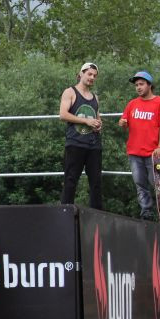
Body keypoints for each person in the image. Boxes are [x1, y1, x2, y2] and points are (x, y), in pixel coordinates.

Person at [118, 71, 160, 220]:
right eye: (136, 85)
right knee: (140, 184)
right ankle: (146, 212)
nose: (138, 88)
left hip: (153, 152)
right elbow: (124, 122)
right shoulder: (132, 104)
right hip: (134, 152)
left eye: (141, 84)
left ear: (149, 85)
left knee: (159, 184)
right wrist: (122, 123)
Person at [59, 62, 103, 209]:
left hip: (94, 144)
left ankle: (97, 215)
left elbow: (97, 118)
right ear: (81, 73)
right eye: (89, 74)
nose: (92, 78)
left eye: (94, 76)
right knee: (70, 180)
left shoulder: (95, 97)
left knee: (96, 182)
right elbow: (63, 114)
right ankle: (65, 212)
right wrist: (86, 121)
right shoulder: (70, 92)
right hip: (75, 143)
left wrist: (98, 125)